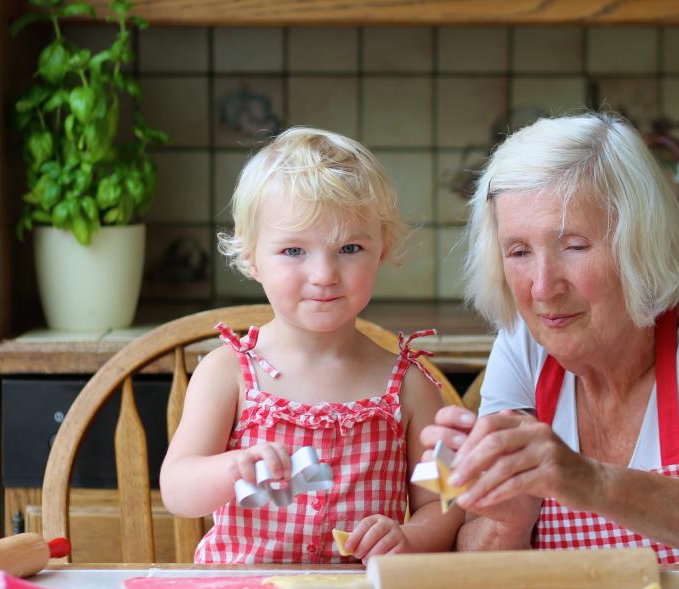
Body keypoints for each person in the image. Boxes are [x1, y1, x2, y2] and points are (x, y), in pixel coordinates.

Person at [421, 113, 679, 574]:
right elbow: (476, 562)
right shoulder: (523, 349)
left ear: (639, 243)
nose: (543, 288)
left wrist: (589, 481)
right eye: (519, 252)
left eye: (574, 245)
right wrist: (506, 523)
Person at [161, 127, 462, 564]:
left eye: (350, 247)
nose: (323, 273)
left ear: (382, 251)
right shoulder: (226, 372)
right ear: (250, 257)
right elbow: (176, 489)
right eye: (293, 251)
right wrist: (233, 469)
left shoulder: (410, 384)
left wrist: (411, 537)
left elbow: (445, 499)